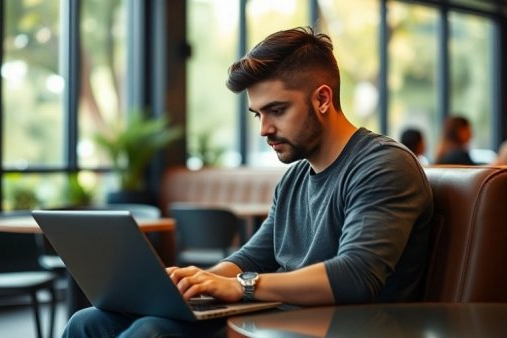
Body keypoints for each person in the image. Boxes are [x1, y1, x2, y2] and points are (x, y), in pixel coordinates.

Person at [62, 26, 434, 337]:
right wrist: (197, 281)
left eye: (277, 110)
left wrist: (243, 287)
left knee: (152, 333)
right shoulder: (294, 180)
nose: (264, 129)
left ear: (323, 99)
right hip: (278, 318)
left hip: (340, 326)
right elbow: (252, 257)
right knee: (88, 323)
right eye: (258, 113)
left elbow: (355, 276)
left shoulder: (383, 165)